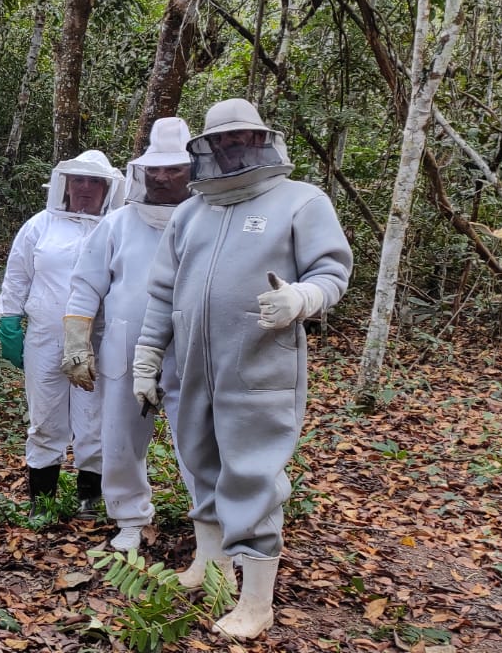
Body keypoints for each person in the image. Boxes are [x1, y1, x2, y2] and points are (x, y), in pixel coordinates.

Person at [133, 99, 352, 639]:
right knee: (200, 463)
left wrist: (301, 298)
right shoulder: (191, 212)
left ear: (261, 139)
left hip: (260, 366)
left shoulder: (302, 201)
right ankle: (211, 567)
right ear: (208, 147)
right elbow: (162, 293)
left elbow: (331, 271)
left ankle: (256, 602)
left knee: (252, 473)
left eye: (241, 137)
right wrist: (147, 356)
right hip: (193, 368)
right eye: (222, 139)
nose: (232, 146)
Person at [62, 117, 194, 552]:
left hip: (190, 350)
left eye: (173, 169)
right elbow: (86, 284)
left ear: (192, 170)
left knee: (197, 439)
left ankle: (212, 524)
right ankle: (129, 519)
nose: (161, 177)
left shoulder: (207, 219)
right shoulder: (117, 223)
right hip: (124, 347)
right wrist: (77, 343)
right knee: (120, 437)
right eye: (155, 169)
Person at [0, 150, 124, 518]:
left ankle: (89, 502)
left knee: (94, 420)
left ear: (107, 188)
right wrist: (9, 320)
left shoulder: (118, 227)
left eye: (94, 181)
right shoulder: (40, 225)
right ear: (64, 185)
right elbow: (17, 275)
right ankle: (43, 503)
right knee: (45, 419)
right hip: (45, 336)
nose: (85, 187)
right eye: (78, 180)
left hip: (98, 341)